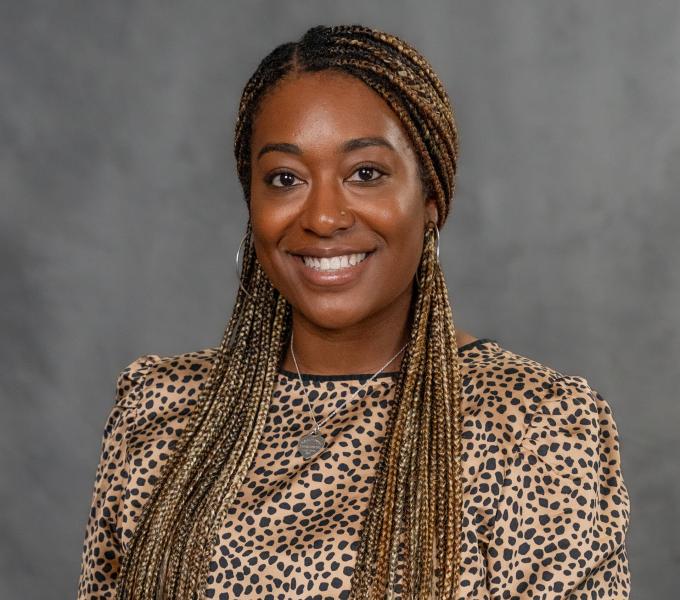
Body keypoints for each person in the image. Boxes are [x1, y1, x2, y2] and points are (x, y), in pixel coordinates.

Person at [77, 24, 631, 600]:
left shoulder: (536, 429)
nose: (322, 217)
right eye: (285, 178)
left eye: (365, 173)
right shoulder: (157, 412)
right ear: (253, 204)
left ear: (430, 200)